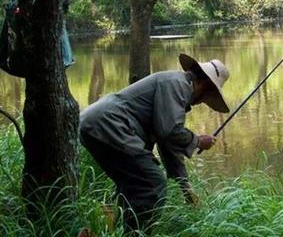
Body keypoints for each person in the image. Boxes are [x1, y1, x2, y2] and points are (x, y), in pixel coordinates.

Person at [79, 54, 230, 233]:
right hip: (110, 124)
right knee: (152, 183)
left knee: (132, 184)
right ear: (205, 85)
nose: (201, 103)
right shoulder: (177, 85)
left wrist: (185, 187)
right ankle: (135, 234)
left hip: (96, 124)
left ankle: (105, 231)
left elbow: (166, 142)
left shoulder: (175, 85)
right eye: (207, 98)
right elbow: (170, 130)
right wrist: (198, 141)